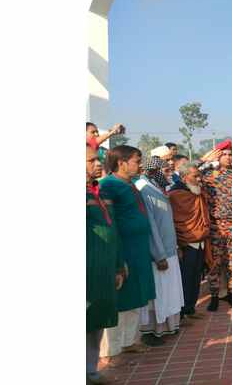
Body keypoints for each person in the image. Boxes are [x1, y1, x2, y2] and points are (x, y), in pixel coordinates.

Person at [99, 146, 156, 362]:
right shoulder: (108, 186)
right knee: (120, 300)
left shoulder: (130, 184)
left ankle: (129, 341)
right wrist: (117, 257)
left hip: (139, 249)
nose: (139, 165)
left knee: (136, 297)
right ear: (121, 163)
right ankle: (111, 351)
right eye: (136, 160)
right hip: (123, 251)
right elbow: (108, 222)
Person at [197, 141, 232, 310]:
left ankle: (231, 292)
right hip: (216, 227)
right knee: (215, 263)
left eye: (230, 154)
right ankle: (214, 295)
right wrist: (203, 160)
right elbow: (188, 173)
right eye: (224, 154)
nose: (228, 157)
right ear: (218, 156)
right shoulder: (207, 175)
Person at [135, 157, 185, 345]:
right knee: (158, 294)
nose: (170, 175)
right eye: (165, 171)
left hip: (169, 249)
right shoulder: (144, 189)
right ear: (152, 172)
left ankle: (168, 327)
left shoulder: (157, 188)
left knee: (169, 292)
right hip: (158, 254)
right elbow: (151, 226)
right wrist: (159, 255)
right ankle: (153, 331)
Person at [86, 145, 124, 384]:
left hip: (104, 269)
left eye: (98, 160)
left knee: (97, 320)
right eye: (91, 160)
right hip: (87, 270)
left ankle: (91, 370)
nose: (98, 164)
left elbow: (112, 230)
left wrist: (119, 264)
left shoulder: (95, 193)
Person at [168, 161, 211, 320]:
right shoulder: (175, 194)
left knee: (196, 277)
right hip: (186, 242)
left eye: (199, 176)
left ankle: (191, 308)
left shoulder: (197, 192)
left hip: (200, 240)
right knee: (185, 279)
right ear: (185, 177)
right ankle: (181, 312)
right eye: (195, 176)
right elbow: (174, 220)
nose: (199, 179)